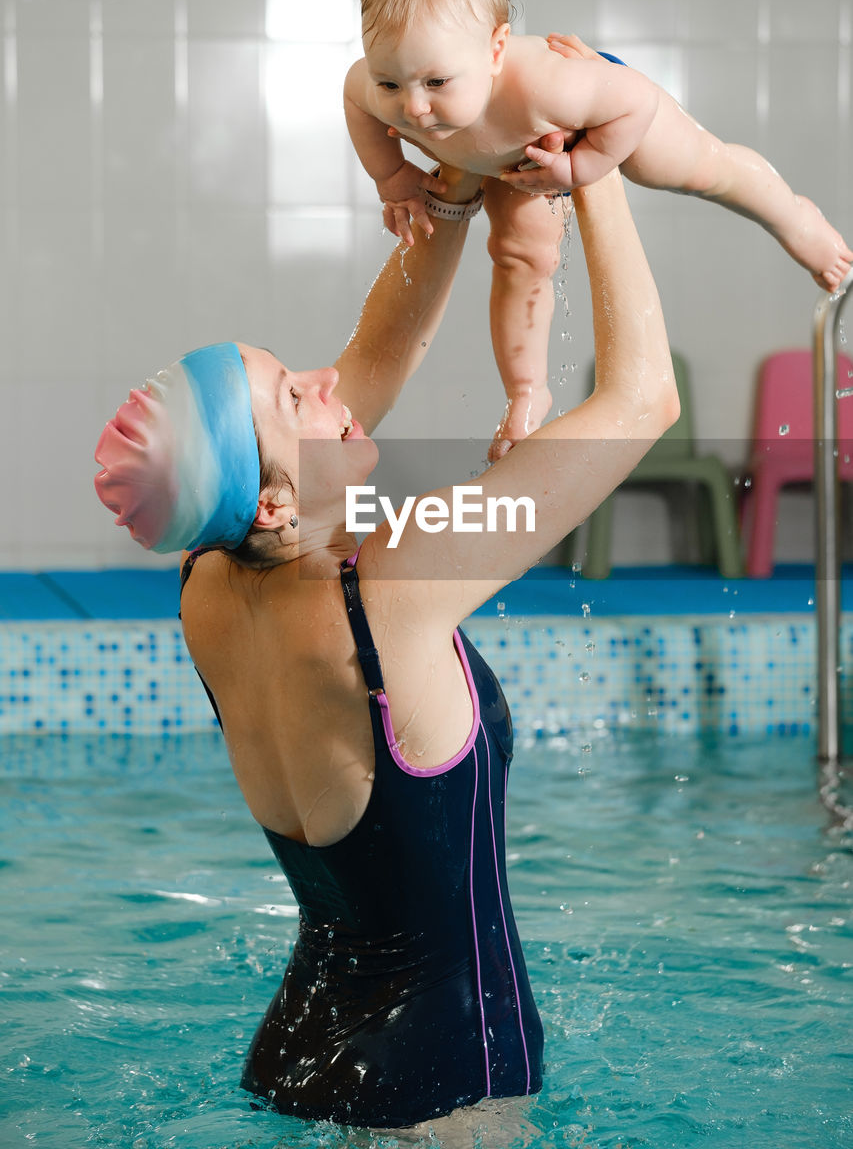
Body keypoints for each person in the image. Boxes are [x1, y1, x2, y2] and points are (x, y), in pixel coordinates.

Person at [93, 161, 679, 1132]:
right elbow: (642, 398)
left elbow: (377, 351)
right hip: (443, 1072)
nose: (325, 378)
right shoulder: (398, 580)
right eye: (292, 393)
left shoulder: (208, 582)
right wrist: (600, 170)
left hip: (297, 1048)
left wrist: (445, 197)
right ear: (275, 498)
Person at [344, 0, 852, 459]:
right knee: (518, 260)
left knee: (699, 167)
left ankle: (794, 216)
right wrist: (392, 177)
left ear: (496, 50)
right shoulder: (373, 87)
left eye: (437, 83)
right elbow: (355, 100)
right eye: (391, 84)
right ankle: (526, 394)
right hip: (517, 163)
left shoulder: (546, 87)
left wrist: (583, 165)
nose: (413, 107)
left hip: (601, 115)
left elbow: (636, 100)